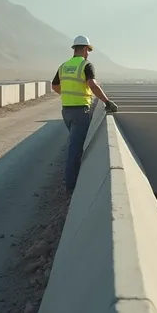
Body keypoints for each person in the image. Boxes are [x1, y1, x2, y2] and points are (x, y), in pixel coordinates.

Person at [51, 35, 118, 195]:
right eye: (88, 50)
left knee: (74, 144)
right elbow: (92, 85)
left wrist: (67, 94)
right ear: (86, 49)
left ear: (74, 49)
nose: (88, 53)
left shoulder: (64, 66)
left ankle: (70, 180)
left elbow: (54, 86)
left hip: (66, 110)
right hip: (81, 111)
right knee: (75, 148)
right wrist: (107, 101)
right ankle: (71, 186)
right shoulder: (86, 65)